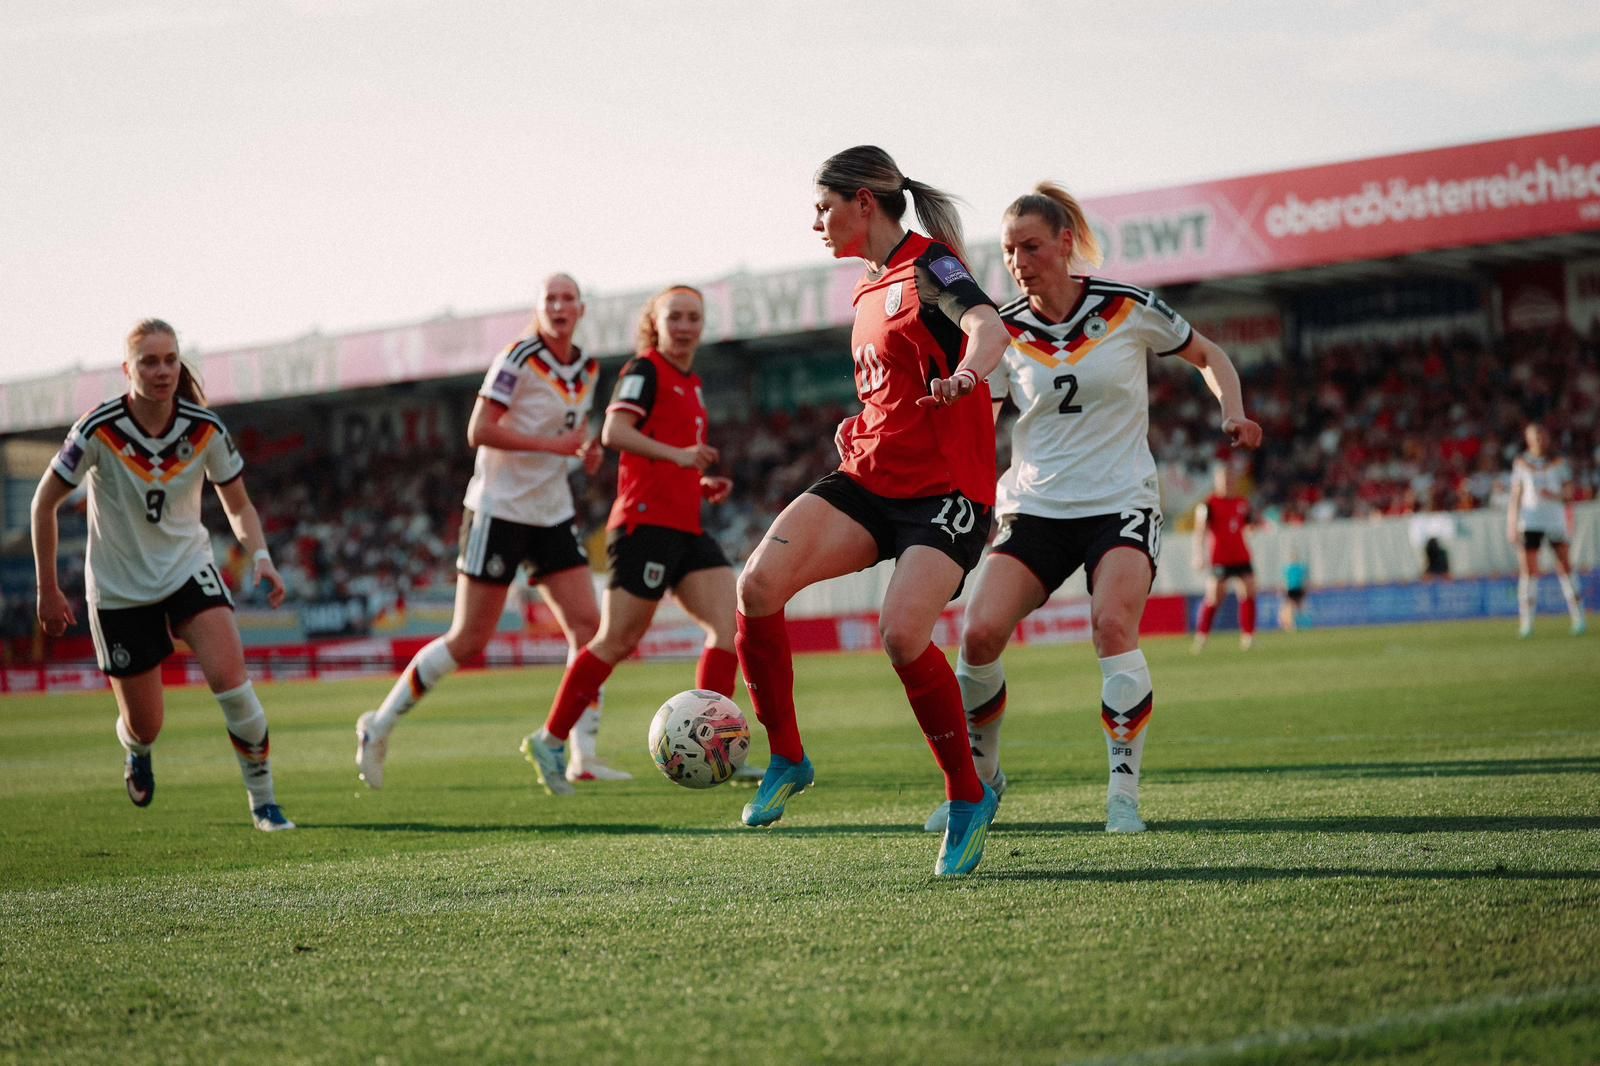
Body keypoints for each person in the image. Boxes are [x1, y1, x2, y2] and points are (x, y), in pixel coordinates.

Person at [924, 182, 1263, 837]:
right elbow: (983, 420)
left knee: (1112, 626)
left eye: (1031, 246)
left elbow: (1209, 354)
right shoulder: (1002, 329)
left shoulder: (1126, 306)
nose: (1019, 261)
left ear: (1065, 244)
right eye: (1009, 250)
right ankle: (981, 784)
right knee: (978, 635)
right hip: (1034, 506)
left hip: (1120, 501)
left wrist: (1233, 411)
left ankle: (1122, 798)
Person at [733, 146, 1012, 878]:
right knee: (757, 585)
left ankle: (968, 795)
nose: (815, 222)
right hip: (869, 480)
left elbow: (989, 328)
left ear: (863, 202)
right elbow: (890, 387)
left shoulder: (931, 265)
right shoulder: (865, 287)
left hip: (947, 493)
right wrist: (861, 422)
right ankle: (787, 757)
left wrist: (965, 377)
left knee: (901, 633)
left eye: (823, 207)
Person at [355, 274, 618, 788]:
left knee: (589, 629)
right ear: (539, 308)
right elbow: (479, 429)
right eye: (550, 298)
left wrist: (585, 453)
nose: (559, 306)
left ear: (581, 309)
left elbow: (572, 431)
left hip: (551, 511)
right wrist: (554, 448)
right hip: (499, 510)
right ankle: (378, 725)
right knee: (469, 639)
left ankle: (581, 756)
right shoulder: (517, 358)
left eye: (568, 298)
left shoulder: (587, 367)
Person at [30, 318, 294, 831]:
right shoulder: (97, 428)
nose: (162, 370)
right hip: (119, 588)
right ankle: (136, 749)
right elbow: (44, 504)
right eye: (149, 362)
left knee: (233, 685)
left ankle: (264, 802)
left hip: (188, 570)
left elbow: (238, 504)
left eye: (170, 359)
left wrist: (261, 555)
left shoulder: (205, 428)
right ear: (127, 369)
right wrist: (48, 589)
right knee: (146, 725)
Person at [520, 284, 743, 794]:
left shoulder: (692, 383)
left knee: (728, 626)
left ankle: (714, 742)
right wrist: (681, 457)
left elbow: (666, 455)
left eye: (693, 317)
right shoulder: (644, 370)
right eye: (675, 317)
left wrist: (698, 481)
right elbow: (614, 432)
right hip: (644, 526)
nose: (684, 326)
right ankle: (550, 740)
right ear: (655, 324)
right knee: (616, 640)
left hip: (685, 525)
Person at [1507, 422, 1586, 637]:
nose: (1540, 440)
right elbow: (1516, 495)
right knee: (1529, 571)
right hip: (1530, 521)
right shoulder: (1522, 463)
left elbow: (1570, 494)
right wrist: (1512, 523)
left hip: (1554, 520)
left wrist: (1555, 496)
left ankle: (1579, 618)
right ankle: (1527, 623)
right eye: (1536, 436)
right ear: (1528, 439)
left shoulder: (1558, 462)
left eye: (1542, 436)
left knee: (1565, 566)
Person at [1192, 464, 1258, 652]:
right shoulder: (1208, 505)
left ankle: (1248, 636)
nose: (1228, 483)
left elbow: (1248, 524)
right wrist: (1198, 555)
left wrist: (1254, 528)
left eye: (1231, 479)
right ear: (1217, 481)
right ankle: (1202, 636)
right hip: (1220, 558)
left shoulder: (1242, 502)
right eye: (1224, 480)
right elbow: (1200, 532)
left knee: (1249, 590)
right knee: (1214, 597)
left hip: (1241, 555)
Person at [1280, 553, 1309, 632]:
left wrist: (1305, 589)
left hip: (1297, 589)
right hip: (1292, 590)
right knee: (1292, 607)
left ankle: (1296, 624)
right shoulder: (1289, 569)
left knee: (1297, 607)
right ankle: (1291, 624)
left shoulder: (1299, 569)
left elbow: (1303, 580)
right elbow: (1286, 581)